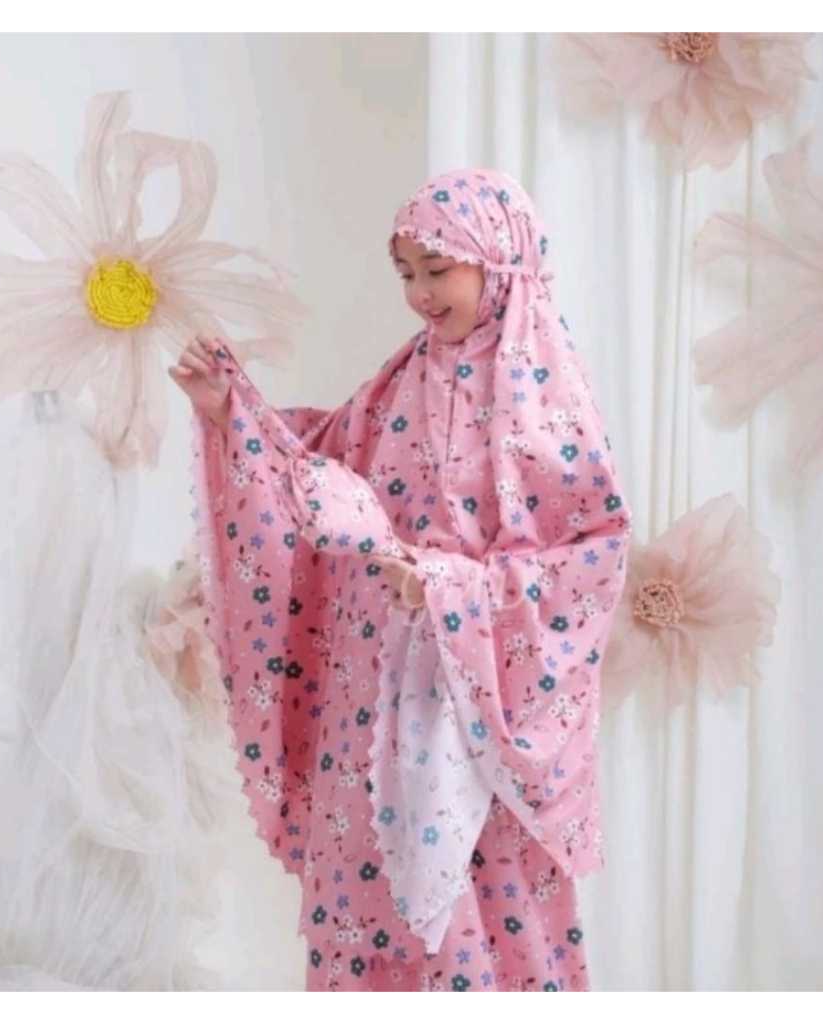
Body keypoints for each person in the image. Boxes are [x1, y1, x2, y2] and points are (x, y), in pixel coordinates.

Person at [170, 168, 633, 991]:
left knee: (480, 904)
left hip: (473, 705)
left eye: (437, 269)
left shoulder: (544, 392)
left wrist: (450, 589)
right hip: (372, 689)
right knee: (370, 893)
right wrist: (230, 410)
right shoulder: (405, 375)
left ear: (499, 262)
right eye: (406, 273)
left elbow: (590, 556)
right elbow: (317, 468)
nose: (419, 294)